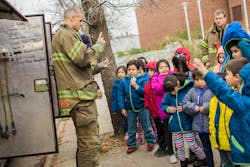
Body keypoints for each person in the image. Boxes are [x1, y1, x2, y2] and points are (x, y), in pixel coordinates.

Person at [52, 6, 106, 167]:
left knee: (85, 143)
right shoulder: (67, 35)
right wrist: (99, 45)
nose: (81, 24)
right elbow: (83, 57)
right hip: (80, 98)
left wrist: (98, 66)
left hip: (77, 97)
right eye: (80, 20)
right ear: (71, 18)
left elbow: (76, 67)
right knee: (90, 143)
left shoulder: (62, 36)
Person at [193, 57, 250, 166]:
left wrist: (206, 72)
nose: (226, 77)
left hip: (245, 157)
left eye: (227, 74)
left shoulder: (245, 103)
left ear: (237, 77)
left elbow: (224, 91)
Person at [161, 74, 206, 167]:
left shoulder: (187, 90)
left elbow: (194, 104)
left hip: (187, 124)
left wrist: (185, 107)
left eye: (173, 90)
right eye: (170, 92)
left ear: (177, 84)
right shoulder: (168, 94)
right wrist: (168, 109)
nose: (173, 93)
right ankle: (183, 163)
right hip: (175, 126)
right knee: (179, 147)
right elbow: (163, 105)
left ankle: (204, 158)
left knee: (192, 145)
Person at [118, 60, 156, 154]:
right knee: (131, 128)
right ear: (127, 71)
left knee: (146, 126)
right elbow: (120, 95)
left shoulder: (142, 79)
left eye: (133, 69)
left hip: (142, 107)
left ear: (138, 70)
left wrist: (136, 86)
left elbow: (145, 93)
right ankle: (132, 145)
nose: (131, 71)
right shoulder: (123, 82)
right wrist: (122, 108)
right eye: (129, 69)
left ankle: (151, 141)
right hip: (130, 109)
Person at [183, 70, 214, 167]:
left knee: (220, 147)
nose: (199, 82)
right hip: (199, 126)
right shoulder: (192, 90)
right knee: (206, 147)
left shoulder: (212, 89)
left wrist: (203, 108)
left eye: (202, 79)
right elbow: (184, 103)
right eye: (197, 80)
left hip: (212, 124)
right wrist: (193, 107)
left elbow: (216, 103)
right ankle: (210, 164)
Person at [151, 59, 177, 163]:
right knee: (168, 132)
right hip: (164, 110)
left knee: (178, 132)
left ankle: (180, 152)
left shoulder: (173, 75)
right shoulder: (155, 78)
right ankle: (171, 153)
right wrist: (164, 78)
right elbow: (158, 89)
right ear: (157, 69)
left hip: (175, 108)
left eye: (166, 66)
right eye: (161, 67)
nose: (164, 69)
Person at [209, 72, 236, 167]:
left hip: (232, 144)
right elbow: (211, 121)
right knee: (225, 163)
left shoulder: (233, 98)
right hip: (219, 141)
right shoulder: (213, 100)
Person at [111, 66, 128, 140]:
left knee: (133, 120)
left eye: (122, 72)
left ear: (125, 73)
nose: (120, 74)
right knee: (124, 121)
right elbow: (114, 98)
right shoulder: (115, 85)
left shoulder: (128, 81)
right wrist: (114, 109)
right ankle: (127, 133)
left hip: (130, 105)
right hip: (121, 107)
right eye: (119, 72)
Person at [144, 61, 159, 139]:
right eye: (148, 71)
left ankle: (168, 147)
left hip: (160, 112)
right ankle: (162, 146)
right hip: (153, 112)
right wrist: (147, 106)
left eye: (152, 70)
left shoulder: (159, 82)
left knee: (165, 130)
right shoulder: (147, 84)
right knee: (158, 129)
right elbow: (146, 96)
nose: (149, 73)